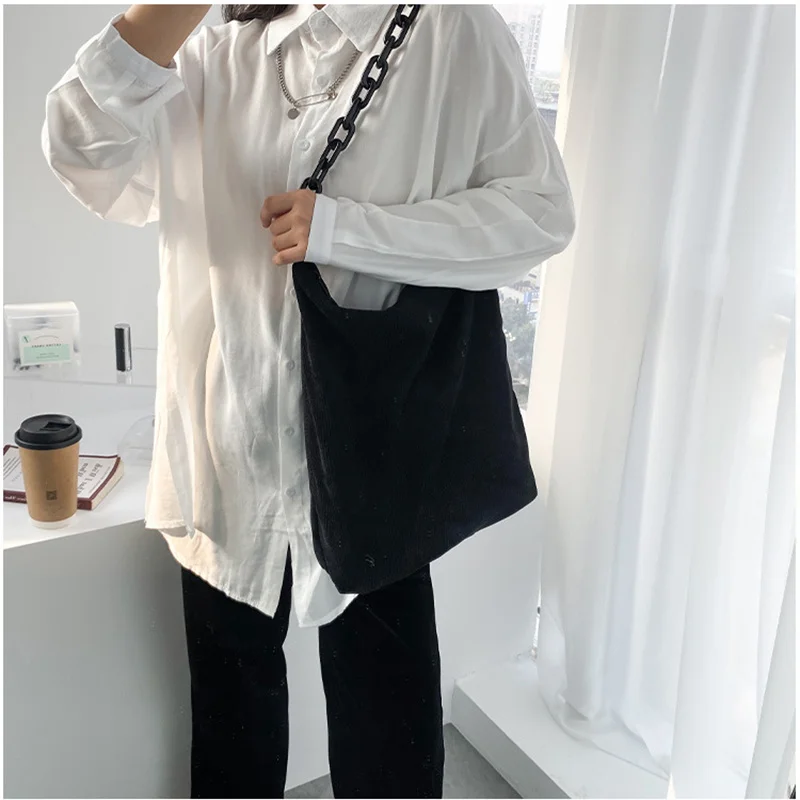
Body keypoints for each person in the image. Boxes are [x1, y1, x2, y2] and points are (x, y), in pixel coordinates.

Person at [43, 4, 575, 797]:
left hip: (375, 448)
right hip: (226, 445)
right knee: (231, 736)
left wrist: (346, 232)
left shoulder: (451, 28)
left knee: (387, 741)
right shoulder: (212, 45)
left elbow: (539, 215)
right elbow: (87, 158)